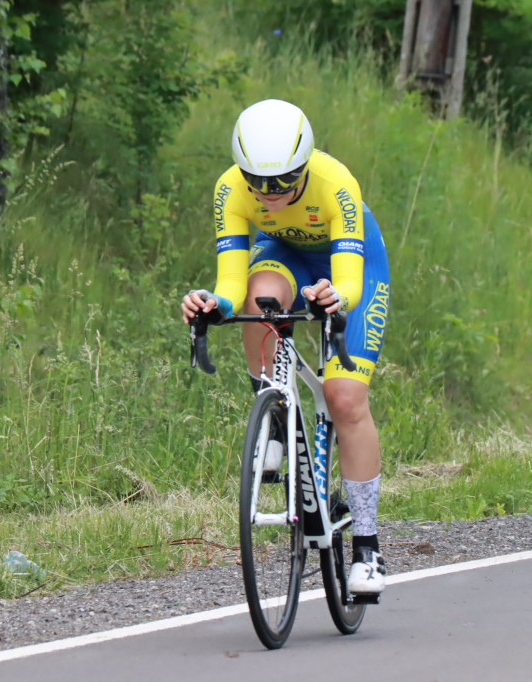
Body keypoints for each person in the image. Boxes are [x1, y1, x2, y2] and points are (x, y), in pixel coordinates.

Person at [181, 98, 390, 596]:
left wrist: (335, 297)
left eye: (283, 182)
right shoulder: (230, 189)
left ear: (305, 164)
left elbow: (349, 282)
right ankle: (273, 412)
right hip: (284, 259)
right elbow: (231, 282)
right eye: (258, 182)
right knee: (259, 297)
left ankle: (367, 545)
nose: (269, 194)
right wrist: (214, 303)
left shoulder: (335, 182)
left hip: (351, 269)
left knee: (344, 399)